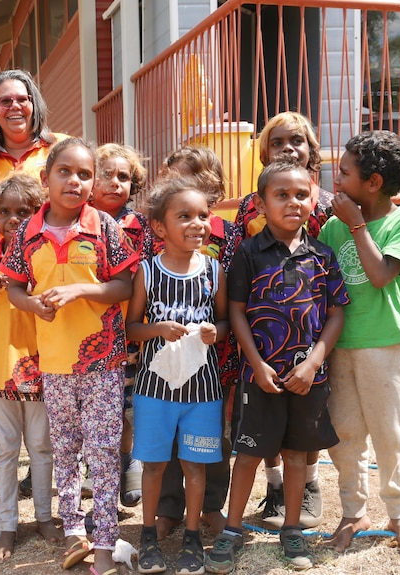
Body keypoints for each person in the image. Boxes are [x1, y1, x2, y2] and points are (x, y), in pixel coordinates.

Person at [1, 138, 137, 575]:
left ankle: (103, 541)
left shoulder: (105, 228)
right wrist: (32, 304)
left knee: (101, 450)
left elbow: (124, 287)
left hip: (103, 362)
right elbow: (14, 287)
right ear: (46, 179)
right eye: (65, 172)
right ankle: (74, 531)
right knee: (65, 449)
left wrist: (81, 289)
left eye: (84, 174)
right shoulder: (27, 233)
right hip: (55, 363)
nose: (75, 181)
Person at [205, 161, 348, 574]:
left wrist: (314, 363)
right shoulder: (249, 254)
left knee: (298, 455)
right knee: (248, 454)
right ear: (262, 204)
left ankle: (291, 529)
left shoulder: (322, 255)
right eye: (281, 195)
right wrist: (256, 364)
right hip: (259, 376)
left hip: (309, 379)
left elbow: (336, 314)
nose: (292, 202)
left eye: (301, 194)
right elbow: (236, 311)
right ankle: (232, 529)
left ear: (313, 200)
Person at [221, 111, 333, 529]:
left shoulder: (323, 204)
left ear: (311, 149)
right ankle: (273, 485)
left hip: (309, 325)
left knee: (307, 412)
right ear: (264, 151)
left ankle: (308, 488)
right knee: (265, 413)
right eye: (278, 141)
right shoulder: (249, 206)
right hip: (261, 328)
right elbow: (236, 261)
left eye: (297, 140)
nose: (288, 147)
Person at [319, 130, 400, 554]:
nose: (337, 180)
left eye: (344, 173)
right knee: (344, 433)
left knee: (389, 434)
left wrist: (358, 225)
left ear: (373, 183)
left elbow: (382, 275)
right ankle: (353, 511)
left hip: (385, 345)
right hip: (341, 345)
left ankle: (398, 514)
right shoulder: (331, 228)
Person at [125, 175, 229, 575]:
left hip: (203, 390)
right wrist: (158, 329)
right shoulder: (146, 272)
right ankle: (148, 535)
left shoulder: (214, 270)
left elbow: (223, 322)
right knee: (153, 465)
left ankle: (191, 538)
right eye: (183, 216)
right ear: (158, 227)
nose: (197, 223)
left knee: (194, 465)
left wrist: (215, 332)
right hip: (155, 389)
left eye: (203, 215)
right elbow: (131, 328)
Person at [0, 173, 61, 559]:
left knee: (42, 446)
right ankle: (4, 524)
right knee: (5, 450)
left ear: (37, 210)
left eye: (22, 211)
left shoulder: (45, 253)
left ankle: (43, 515)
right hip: (0, 365)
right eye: (4, 211)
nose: (13, 219)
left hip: (42, 362)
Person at [154, 146, 234, 538]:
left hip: (213, 357)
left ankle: (212, 504)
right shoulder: (159, 229)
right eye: (171, 176)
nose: (178, 184)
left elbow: (231, 293)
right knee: (167, 432)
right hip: (165, 357)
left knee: (211, 433)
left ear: (211, 189)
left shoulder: (225, 235)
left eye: (188, 177)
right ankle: (169, 507)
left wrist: (218, 332)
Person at [90, 143, 151, 510]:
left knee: (125, 403)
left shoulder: (140, 225)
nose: (114, 183)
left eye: (123, 177)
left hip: (128, 328)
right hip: (88, 329)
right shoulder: (78, 221)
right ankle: (94, 469)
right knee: (95, 406)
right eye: (105, 175)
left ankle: (128, 460)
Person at [0, 69, 68, 195]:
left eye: (22, 99)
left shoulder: (63, 147)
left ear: (34, 105)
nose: (15, 106)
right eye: (5, 101)